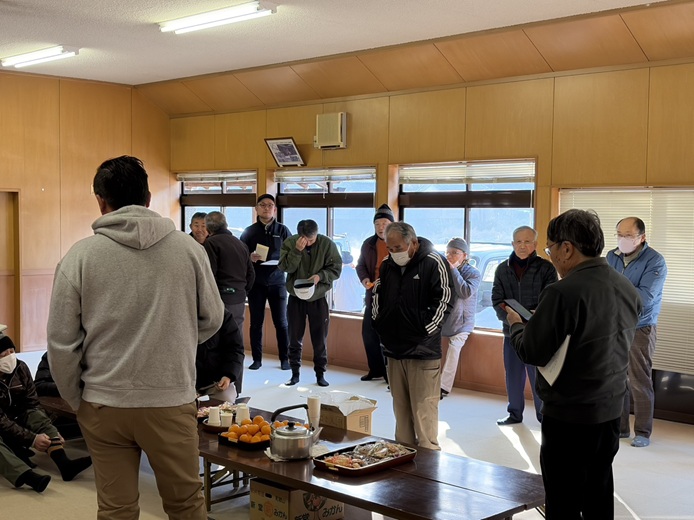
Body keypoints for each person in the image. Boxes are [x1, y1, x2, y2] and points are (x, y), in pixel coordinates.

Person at [47, 155, 224, 519]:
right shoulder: (189, 250)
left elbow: (61, 342)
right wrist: (176, 338)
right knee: (186, 504)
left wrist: (76, 399)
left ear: (101, 201)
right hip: (170, 398)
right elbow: (213, 317)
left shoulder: (79, 257)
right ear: (148, 199)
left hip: (103, 401)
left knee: (116, 509)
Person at [506, 209, 641, 519]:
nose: (551, 256)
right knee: (599, 491)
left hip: (569, 416)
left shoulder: (561, 292)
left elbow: (532, 352)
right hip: (610, 409)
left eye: (550, 249)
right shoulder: (625, 286)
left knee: (563, 500)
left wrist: (516, 326)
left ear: (566, 248)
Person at [372, 222, 452, 450]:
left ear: (413, 243)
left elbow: (445, 301)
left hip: (422, 351)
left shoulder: (434, 262)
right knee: (401, 412)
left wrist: (424, 331)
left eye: (398, 248)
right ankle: (404, 460)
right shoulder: (387, 264)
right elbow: (377, 296)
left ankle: (429, 463)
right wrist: (381, 327)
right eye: (390, 248)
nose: (394, 253)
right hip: (394, 350)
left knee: (423, 411)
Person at [0, 334, 92, 493]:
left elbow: (32, 403)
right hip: (2, 422)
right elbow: (1, 421)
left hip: (16, 415)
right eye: (4, 354)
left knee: (36, 416)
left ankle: (64, 464)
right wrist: (32, 439)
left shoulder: (20, 368)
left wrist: (51, 431)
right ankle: (28, 477)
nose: (10, 357)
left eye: (12, 351)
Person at [606, 217, 667, 448]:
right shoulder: (611, 256)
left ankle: (642, 431)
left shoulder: (655, 261)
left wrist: (615, 293)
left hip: (641, 326)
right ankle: (620, 428)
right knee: (617, 380)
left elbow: (644, 298)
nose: (623, 239)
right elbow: (603, 288)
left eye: (628, 235)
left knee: (639, 381)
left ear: (642, 237)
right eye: (619, 234)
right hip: (614, 326)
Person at [492, 225, 557, 425]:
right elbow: (497, 300)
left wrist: (536, 318)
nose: (522, 246)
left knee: (538, 376)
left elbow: (551, 299)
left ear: (535, 244)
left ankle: (544, 415)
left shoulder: (546, 268)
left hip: (537, 334)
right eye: (518, 241)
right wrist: (512, 320)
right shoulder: (502, 269)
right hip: (511, 332)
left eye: (527, 241)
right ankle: (514, 413)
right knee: (513, 375)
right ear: (512, 244)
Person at [278, 219, 342, 387]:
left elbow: (336, 269)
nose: (308, 243)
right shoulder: (290, 243)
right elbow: (284, 268)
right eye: (305, 240)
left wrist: (320, 276)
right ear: (299, 236)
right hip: (295, 297)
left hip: (318, 297)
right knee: (294, 337)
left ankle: (320, 374)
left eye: (312, 240)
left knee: (320, 339)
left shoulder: (327, 244)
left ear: (317, 234)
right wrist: (296, 251)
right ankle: (294, 374)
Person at [240, 194, 291, 371]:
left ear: (275, 209)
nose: (266, 208)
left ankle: (285, 359)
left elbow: (293, 254)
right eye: (262, 205)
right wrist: (249, 257)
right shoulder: (249, 231)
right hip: (256, 282)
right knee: (256, 323)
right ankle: (257, 359)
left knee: (282, 322)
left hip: (278, 281)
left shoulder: (283, 230)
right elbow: (240, 255)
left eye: (270, 205)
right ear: (256, 208)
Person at [355, 204, 393, 381]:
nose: (380, 227)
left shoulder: (399, 243)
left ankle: (390, 374)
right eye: (377, 224)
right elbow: (361, 265)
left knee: (388, 336)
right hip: (372, 293)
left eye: (384, 223)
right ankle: (375, 369)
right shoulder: (368, 244)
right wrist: (364, 279)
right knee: (369, 334)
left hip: (391, 296)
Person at [440, 238, 481, 399]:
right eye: (447, 252)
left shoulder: (473, 273)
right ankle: (427, 381)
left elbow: (465, 292)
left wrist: (453, 270)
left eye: (454, 253)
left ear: (465, 255)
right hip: (444, 319)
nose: (450, 256)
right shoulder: (442, 269)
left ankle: (443, 387)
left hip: (463, 322)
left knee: (454, 348)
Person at [204, 211, 255, 331]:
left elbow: (210, 274)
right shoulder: (240, 244)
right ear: (226, 224)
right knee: (236, 332)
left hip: (221, 297)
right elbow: (251, 274)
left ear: (207, 228)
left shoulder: (211, 243)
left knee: (219, 334)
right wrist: (243, 291)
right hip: (239, 297)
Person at [196, 308, 245, 402]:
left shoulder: (223, 314)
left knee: (226, 402)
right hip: (183, 382)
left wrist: (228, 375)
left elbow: (235, 348)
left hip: (216, 380)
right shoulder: (177, 315)